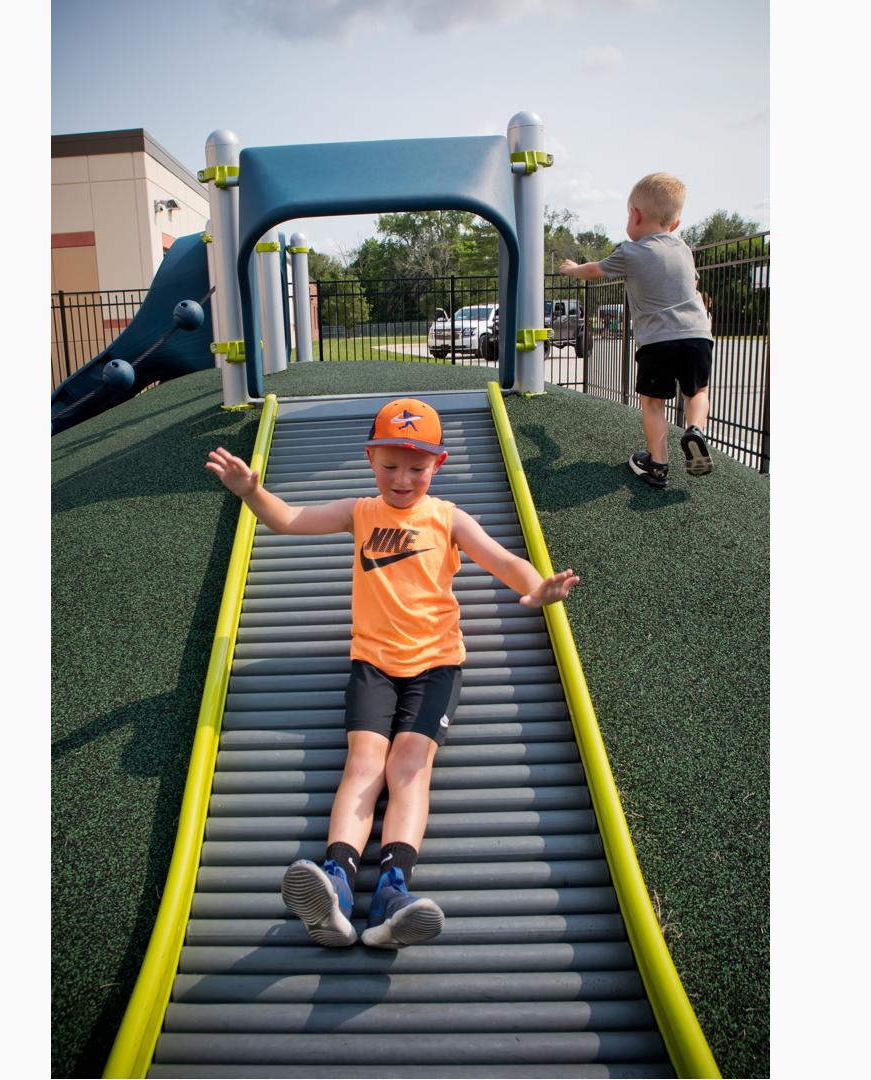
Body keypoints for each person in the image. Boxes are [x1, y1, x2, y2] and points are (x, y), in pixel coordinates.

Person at [203, 397, 580, 948]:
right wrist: (250, 491)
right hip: (374, 664)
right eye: (390, 466)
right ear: (370, 458)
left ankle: (393, 891)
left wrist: (537, 587)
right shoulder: (360, 512)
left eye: (417, 467)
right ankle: (336, 883)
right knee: (363, 763)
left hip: (436, 666)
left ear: (439, 465)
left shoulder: (448, 517)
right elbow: (287, 519)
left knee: (407, 767)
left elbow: (503, 560)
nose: (402, 479)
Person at [559, 172, 716, 488]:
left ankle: (658, 466)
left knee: (653, 402)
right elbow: (693, 284)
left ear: (635, 214)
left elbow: (593, 271)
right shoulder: (683, 249)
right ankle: (695, 430)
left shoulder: (630, 252)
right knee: (697, 392)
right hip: (698, 333)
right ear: (675, 225)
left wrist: (572, 269)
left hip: (658, 341)